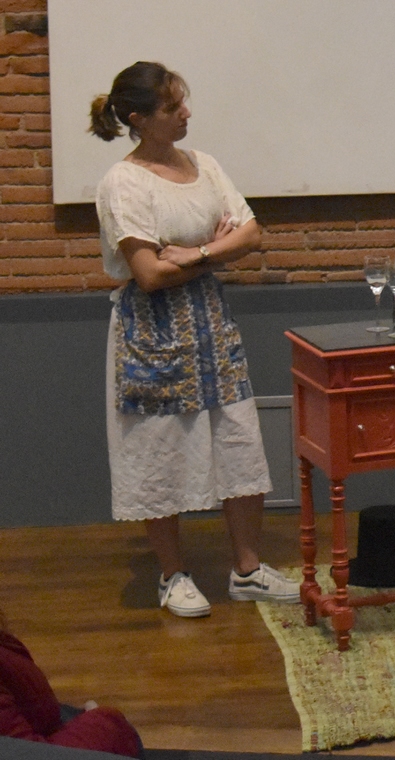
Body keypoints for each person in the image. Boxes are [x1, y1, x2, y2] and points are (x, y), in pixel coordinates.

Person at [90, 62, 299, 617]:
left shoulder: (204, 165)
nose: (186, 113)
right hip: (153, 332)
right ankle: (172, 574)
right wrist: (213, 255)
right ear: (138, 119)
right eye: (171, 107)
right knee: (157, 449)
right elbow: (149, 274)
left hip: (211, 324)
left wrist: (195, 253)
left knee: (238, 440)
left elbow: (250, 233)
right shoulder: (124, 183)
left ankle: (248, 570)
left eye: (183, 101)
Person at [0, 608, 142, 756]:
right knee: (123, 733)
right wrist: (107, 724)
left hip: (45, 724)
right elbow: (29, 753)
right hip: (45, 740)